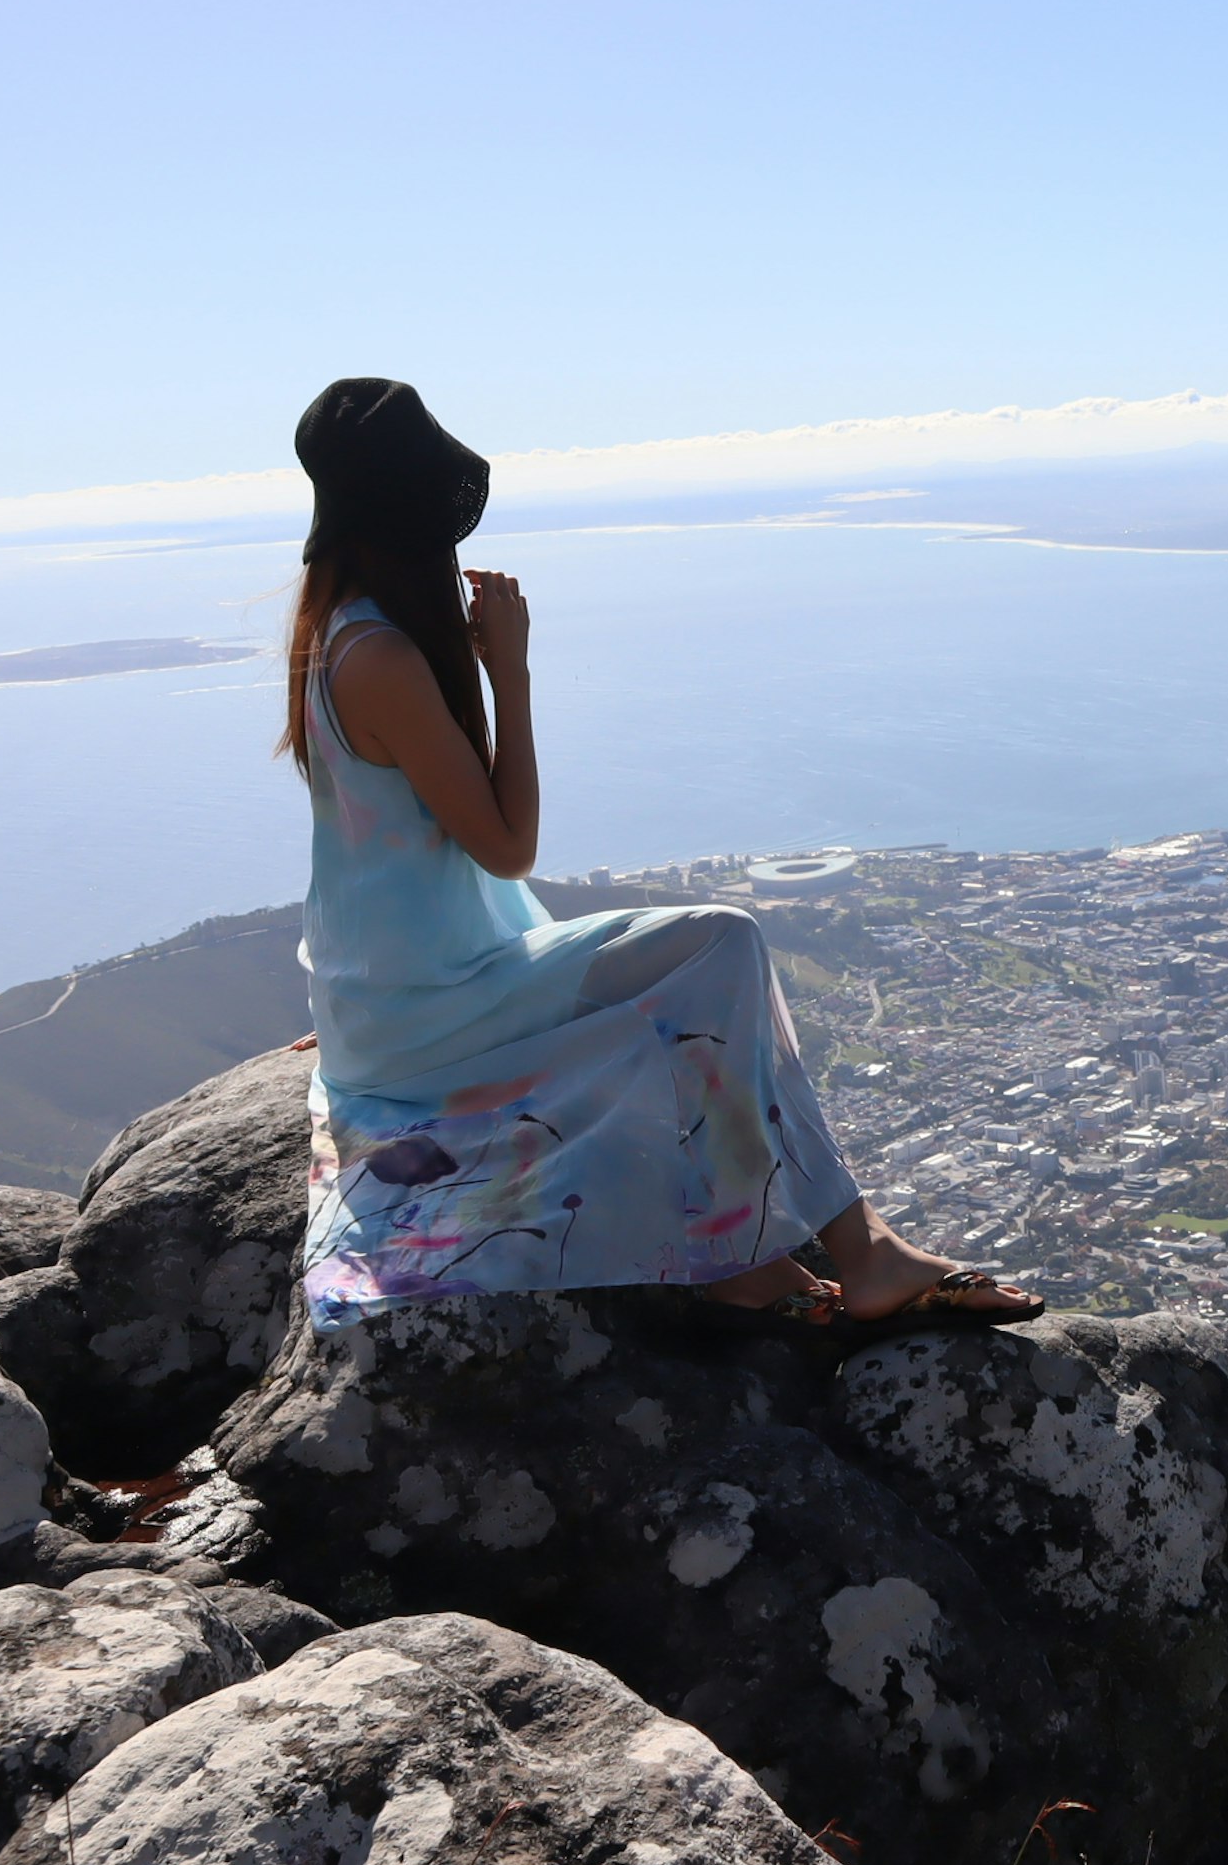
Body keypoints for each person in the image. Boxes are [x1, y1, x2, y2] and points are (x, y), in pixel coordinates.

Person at [280, 376, 1037, 1330]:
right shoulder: (382, 659)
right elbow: (510, 848)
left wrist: (355, 1002)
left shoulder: (332, 637)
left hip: (402, 997)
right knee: (720, 943)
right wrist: (509, 675)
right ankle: (853, 1248)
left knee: (693, 971)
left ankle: (763, 1253)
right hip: (433, 1002)